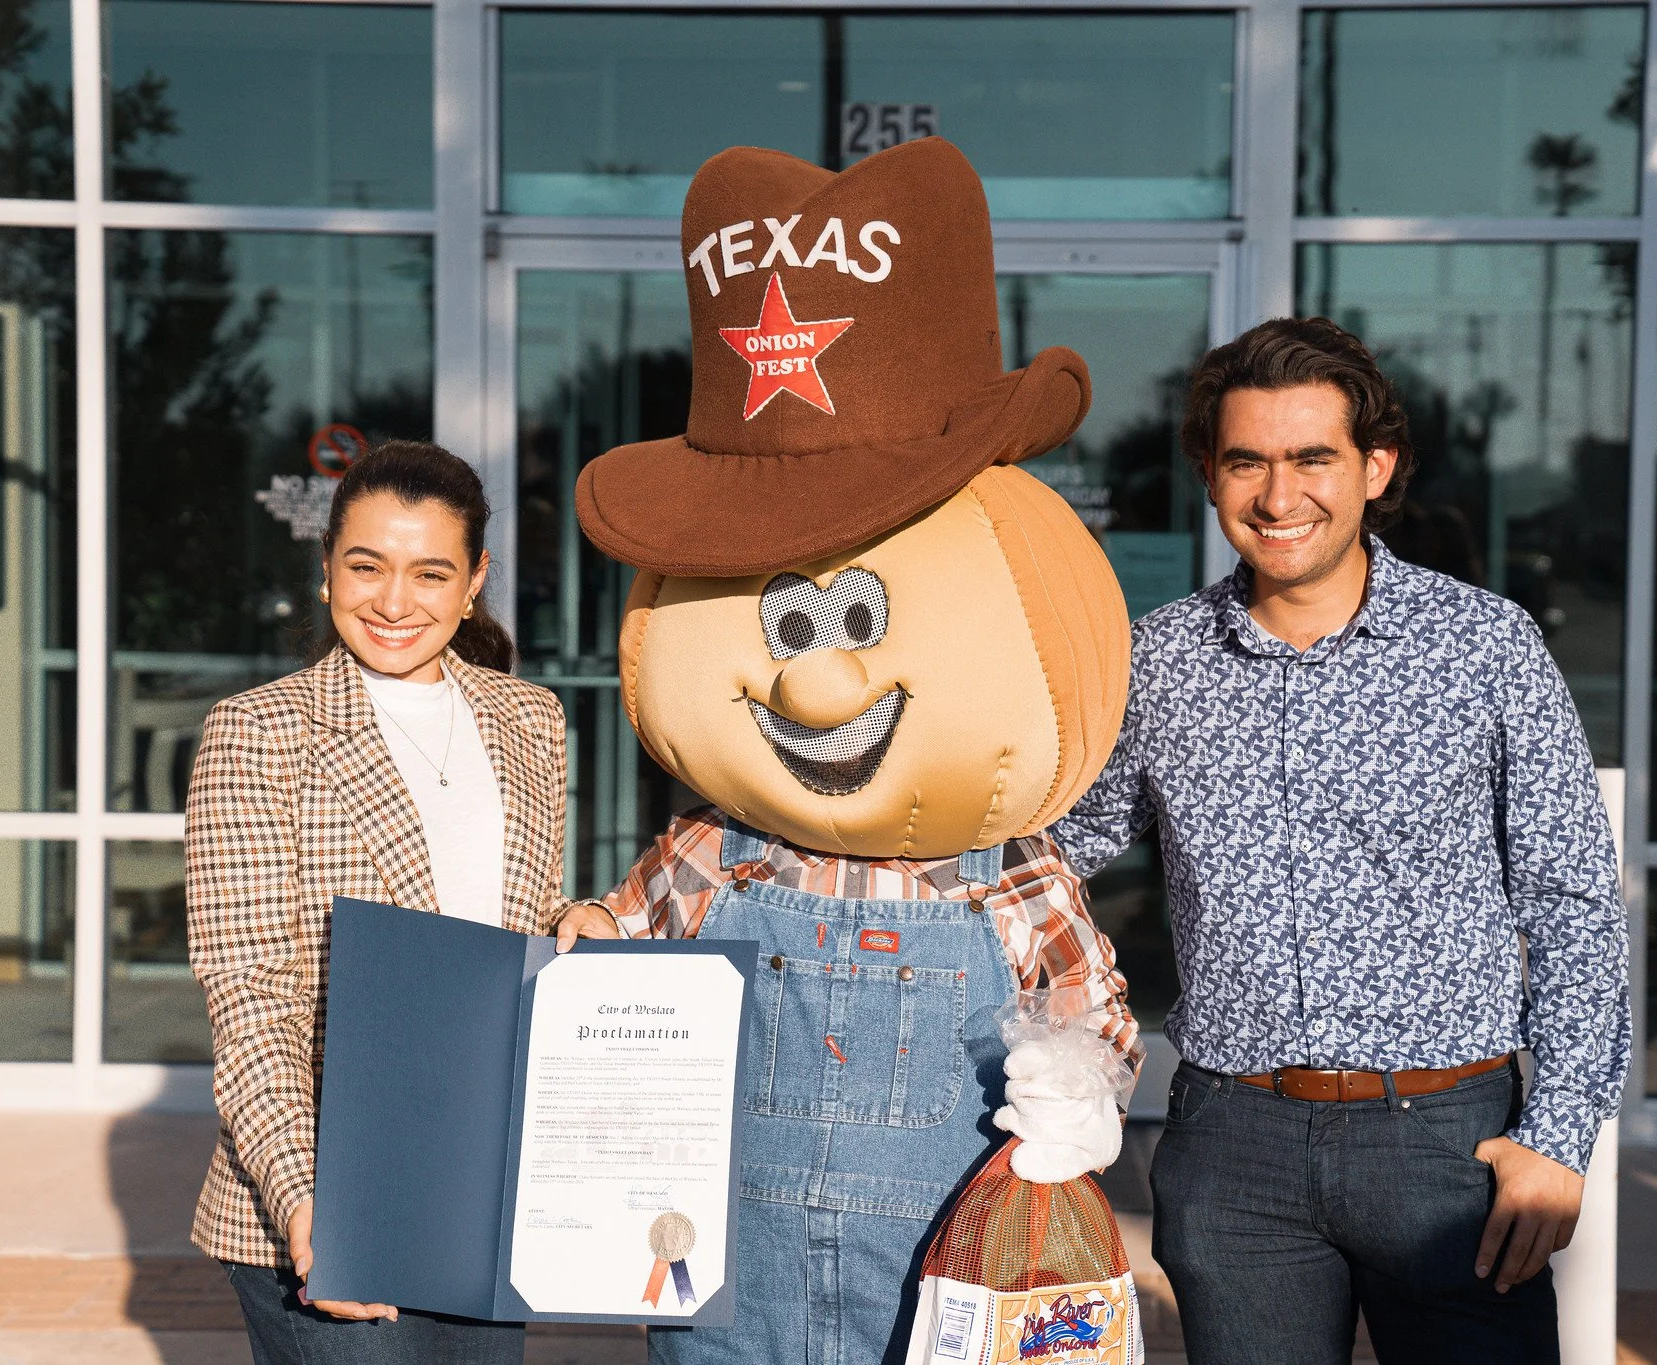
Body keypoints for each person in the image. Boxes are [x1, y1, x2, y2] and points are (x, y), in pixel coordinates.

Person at [553, 137, 1142, 1364]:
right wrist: (588, 940)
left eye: (853, 618)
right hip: (727, 1273)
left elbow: (1096, 1014)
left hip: (936, 1277)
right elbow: (618, 936)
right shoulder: (716, 850)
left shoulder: (1013, 874)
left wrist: (1083, 1090)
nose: (814, 680)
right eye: (787, 623)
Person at [1051, 317, 1631, 1364]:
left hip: (1447, 1148)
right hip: (1233, 1152)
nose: (1278, 499)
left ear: (1375, 466)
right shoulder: (1156, 660)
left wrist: (1557, 1137)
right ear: (1209, 473)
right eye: (1247, 463)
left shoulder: (1484, 645)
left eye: (1311, 458)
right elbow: (1061, 847)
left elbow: (1571, 901)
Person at [185, 440, 575, 1365]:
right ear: (326, 569)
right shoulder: (256, 732)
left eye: (430, 572)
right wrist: (308, 1201)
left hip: (481, 1185)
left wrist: (578, 921)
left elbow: (515, 916)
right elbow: (251, 995)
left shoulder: (532, 720)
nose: (394, 601)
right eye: (367, 565)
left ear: (474, 580)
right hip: (327, 1193)